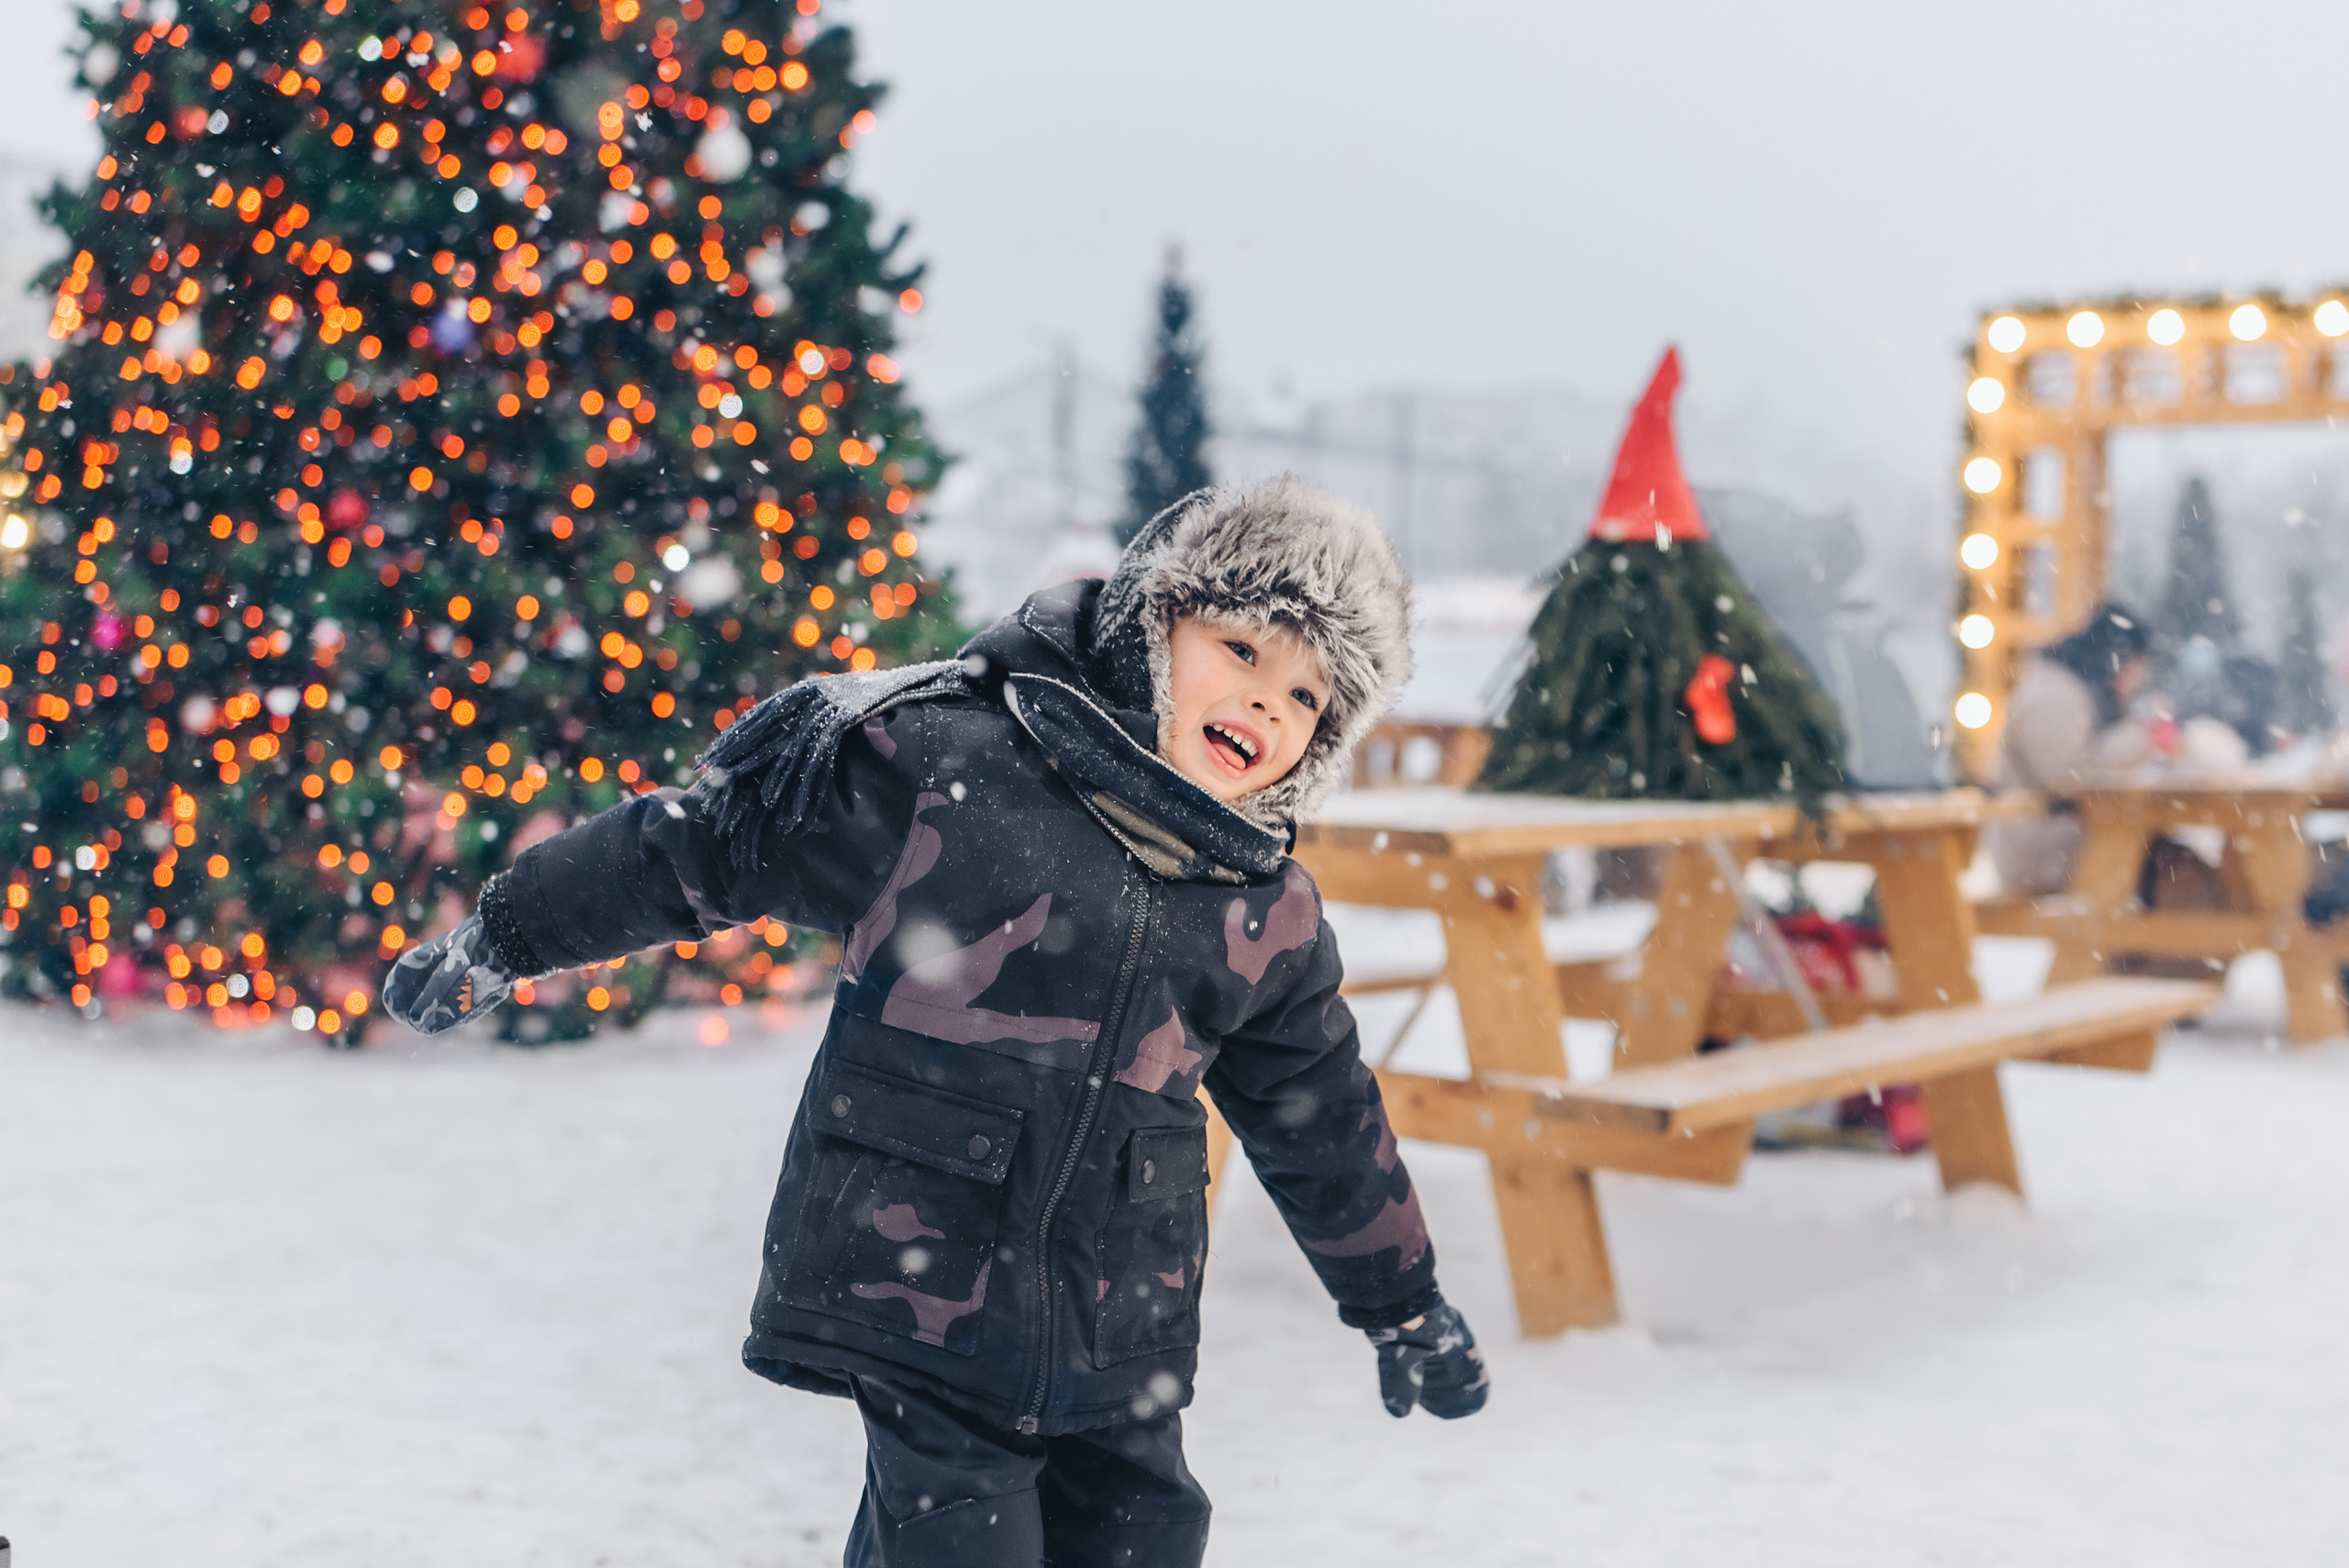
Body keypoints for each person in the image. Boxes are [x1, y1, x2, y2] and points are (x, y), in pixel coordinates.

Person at [384, 478, 1487, 1566]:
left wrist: (1400, 1300)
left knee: (1146, 1536)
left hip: (1117, 1316)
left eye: (1306, 696)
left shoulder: (1264, 907)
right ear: (1154, 624)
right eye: (1242, 649)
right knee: (961, 1541)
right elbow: (707, 845)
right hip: (919, 1274)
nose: (1265, 701)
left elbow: (1321, 1116)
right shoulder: (952, 766)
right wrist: (509, 932)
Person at [1983, 604, 2154, 897]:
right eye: (2135, 669)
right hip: (2039, 853)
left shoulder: (2081, 692)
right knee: (2161, 868)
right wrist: (2139, 738)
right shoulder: (2053, 694)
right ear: (2114, 660)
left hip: (2062, 841)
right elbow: (2068, 778)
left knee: (2166, 861)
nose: (2138, 682)